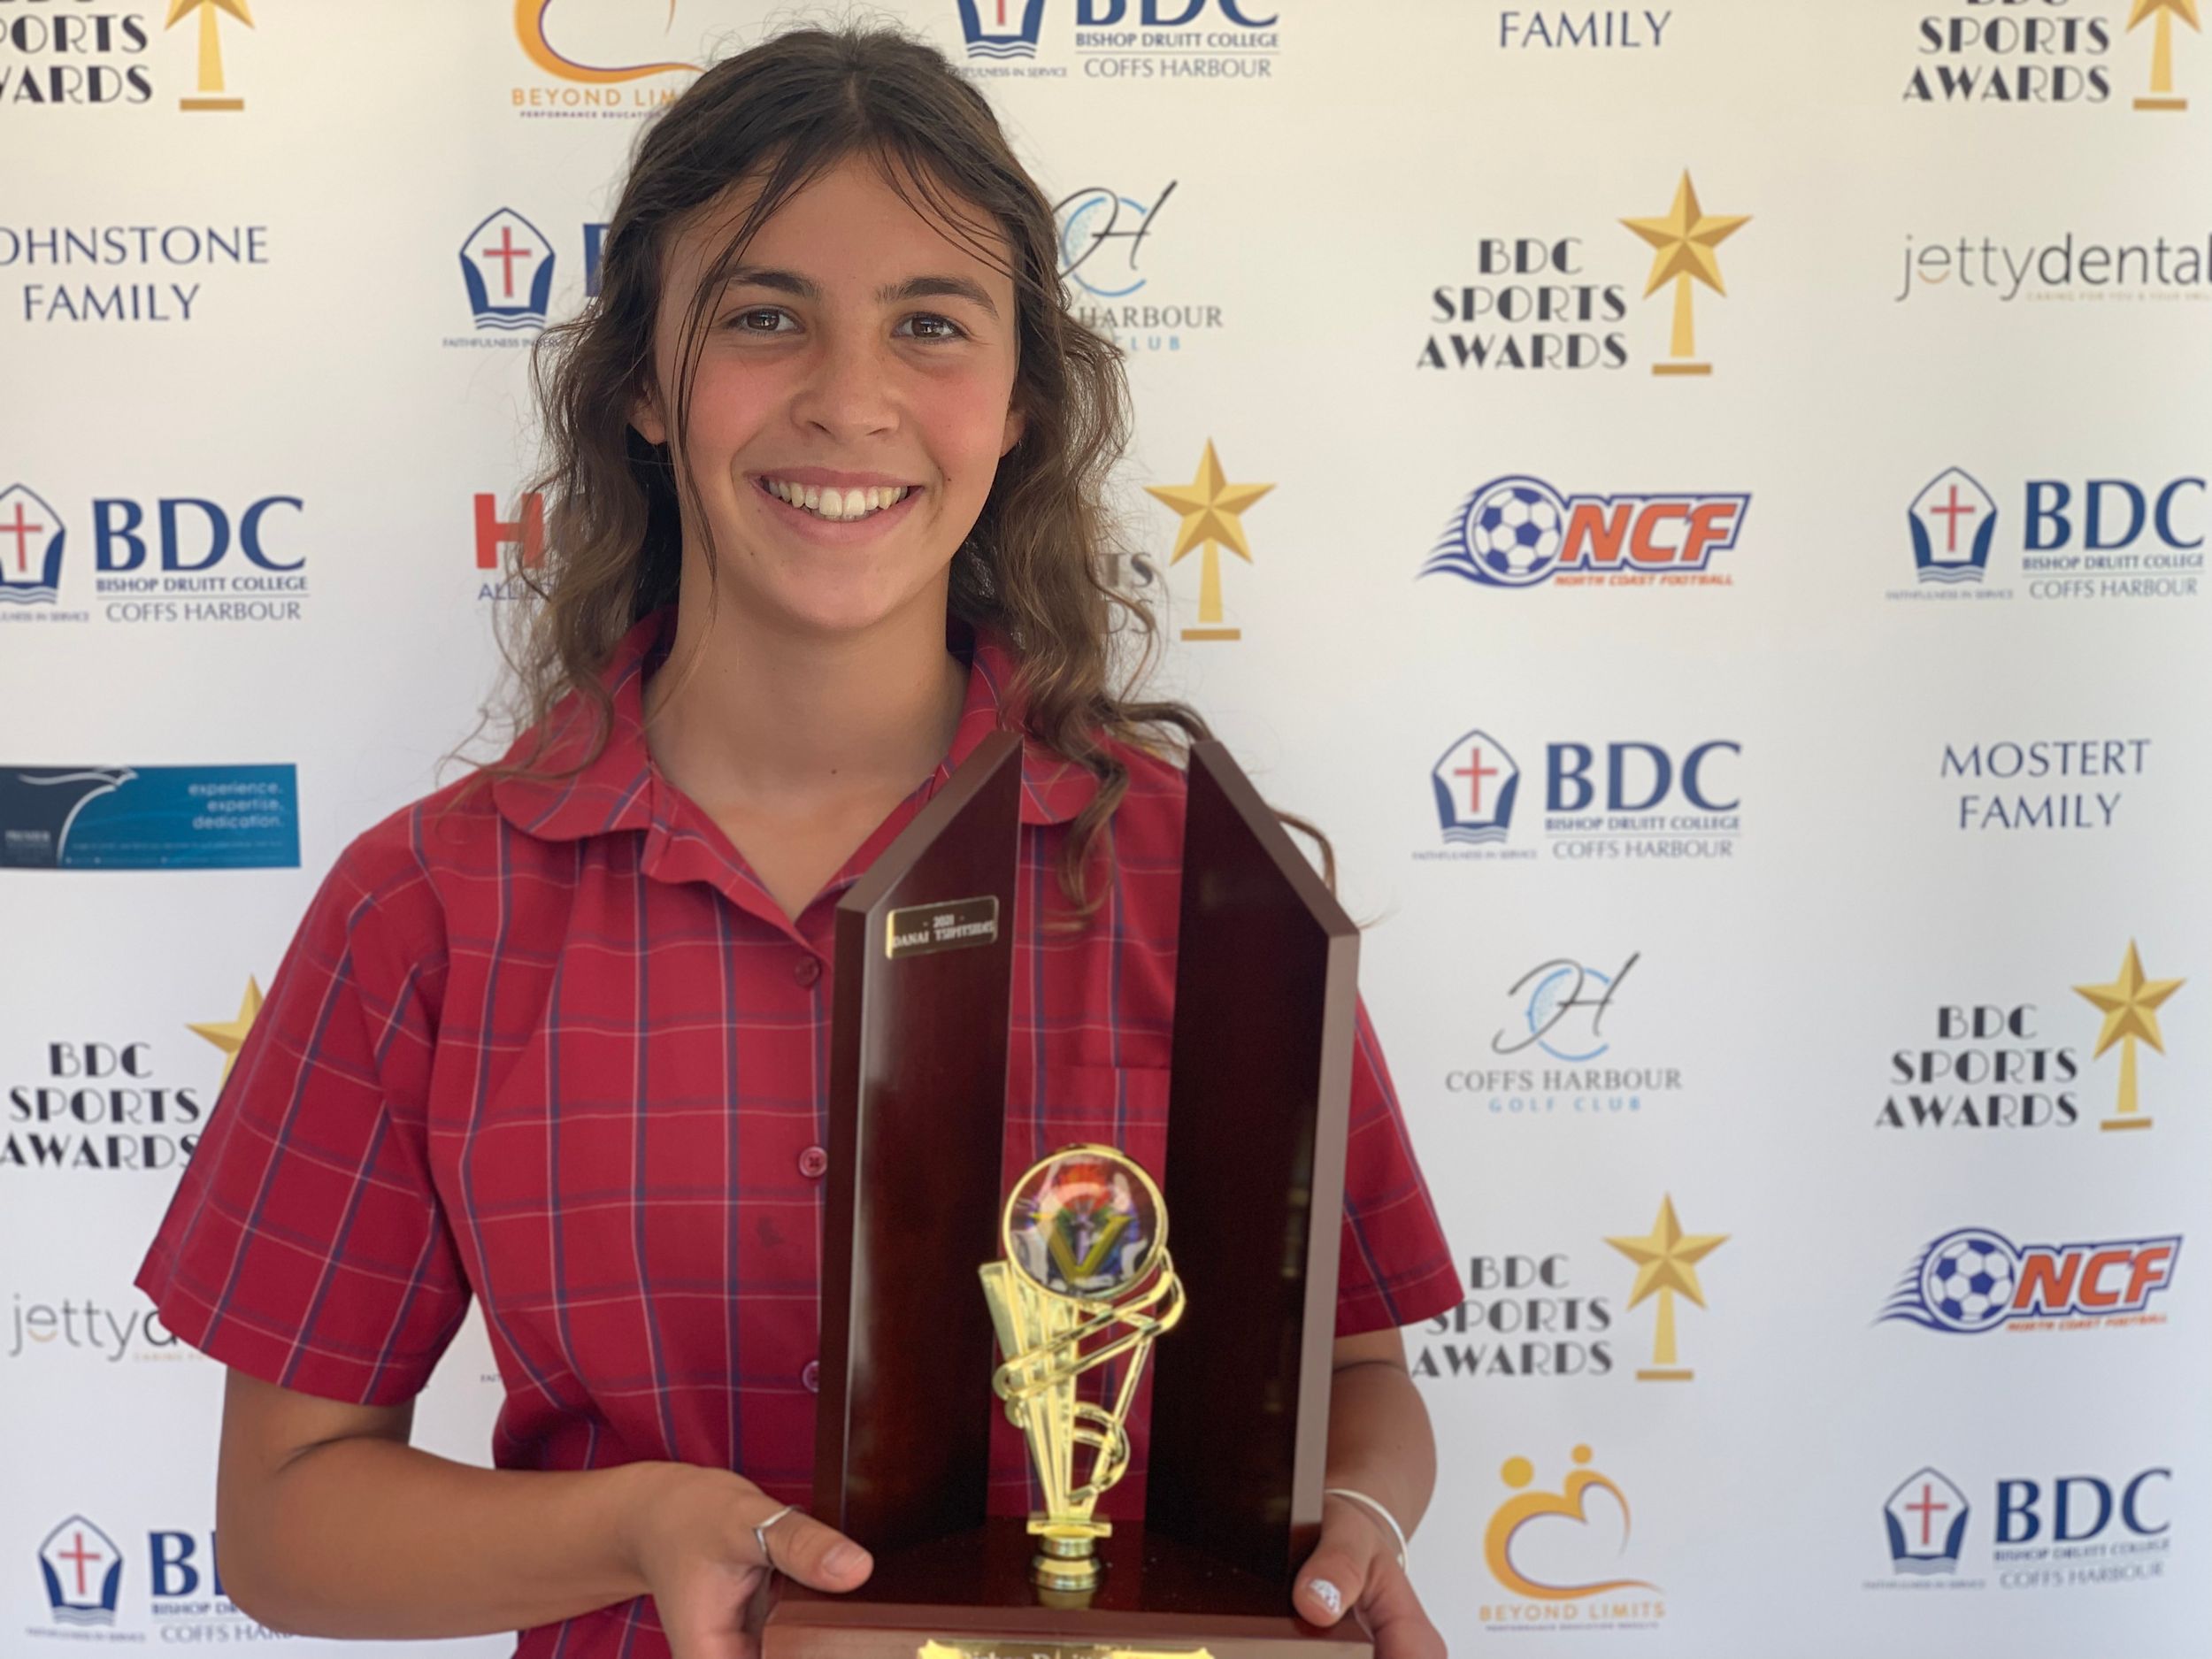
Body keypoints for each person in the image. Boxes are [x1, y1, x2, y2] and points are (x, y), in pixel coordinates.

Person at [134, 26, 1462, 1659]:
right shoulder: (428, 907)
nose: (850, 399)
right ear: (642, 381)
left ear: (1021, 404)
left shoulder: (1204, 885)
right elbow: (286, 1528)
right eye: (765, 317)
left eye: (932, 325)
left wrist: (1358, 1522)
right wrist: (633, 1527)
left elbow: (1355, 1376)